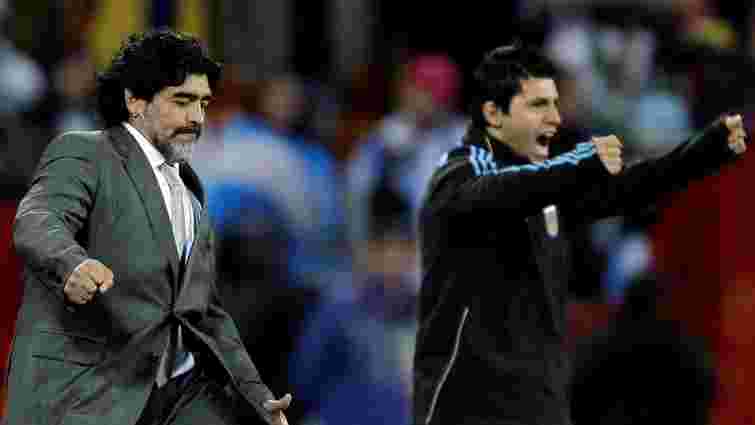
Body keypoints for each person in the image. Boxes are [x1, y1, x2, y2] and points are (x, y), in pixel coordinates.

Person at [412, 42, 747, 425]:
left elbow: (629, 187)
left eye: (555, 104)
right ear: (493, 113)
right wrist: (580, 164)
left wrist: (701, 153)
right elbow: (503, 193)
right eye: (538, 105)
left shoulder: (547, 189)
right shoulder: (459, 177)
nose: (555, 118)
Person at [6, 29, 291, 425]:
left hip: (178, 398)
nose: (197, 118)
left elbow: (205, 314)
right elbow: (38, 218)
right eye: (182, 101)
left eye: (203, 103)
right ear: (135, 100)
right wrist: (71, 264)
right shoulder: (85, 152)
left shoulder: (191, 191)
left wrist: (258, 396)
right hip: (88, 399)